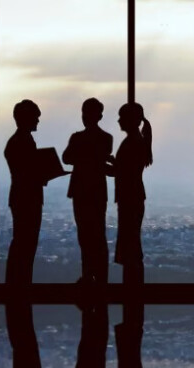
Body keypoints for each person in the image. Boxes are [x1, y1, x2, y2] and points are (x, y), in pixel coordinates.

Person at [62, 98, 113, 285]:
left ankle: (88, 275)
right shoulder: (106, 138)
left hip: (80, 191)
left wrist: (82, 157)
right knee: (97, 235)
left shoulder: (77, 138)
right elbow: (99, 160)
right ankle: (100, 278)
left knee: (85, 235)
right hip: (97, 191)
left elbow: (67, 158)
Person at [107, 103, 153, 285]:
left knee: (130, 242)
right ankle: (134, 285)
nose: (119, 120)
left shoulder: (132, 142)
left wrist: (98, 164)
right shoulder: (137, 141)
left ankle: (133, 285)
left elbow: (123, 171)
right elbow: (126, 169)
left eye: (121, 117)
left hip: (129, 197)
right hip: (134, 195)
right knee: (132, 241)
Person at [5, 100, 46, 285]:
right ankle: (20, 283)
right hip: (27, 199)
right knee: (25, 244)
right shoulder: (23, 142)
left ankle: (18, 283)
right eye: (35, 118)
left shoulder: (18, 141)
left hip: (23, 197)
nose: (38, 121)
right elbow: (27, 172)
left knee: (23, 243)